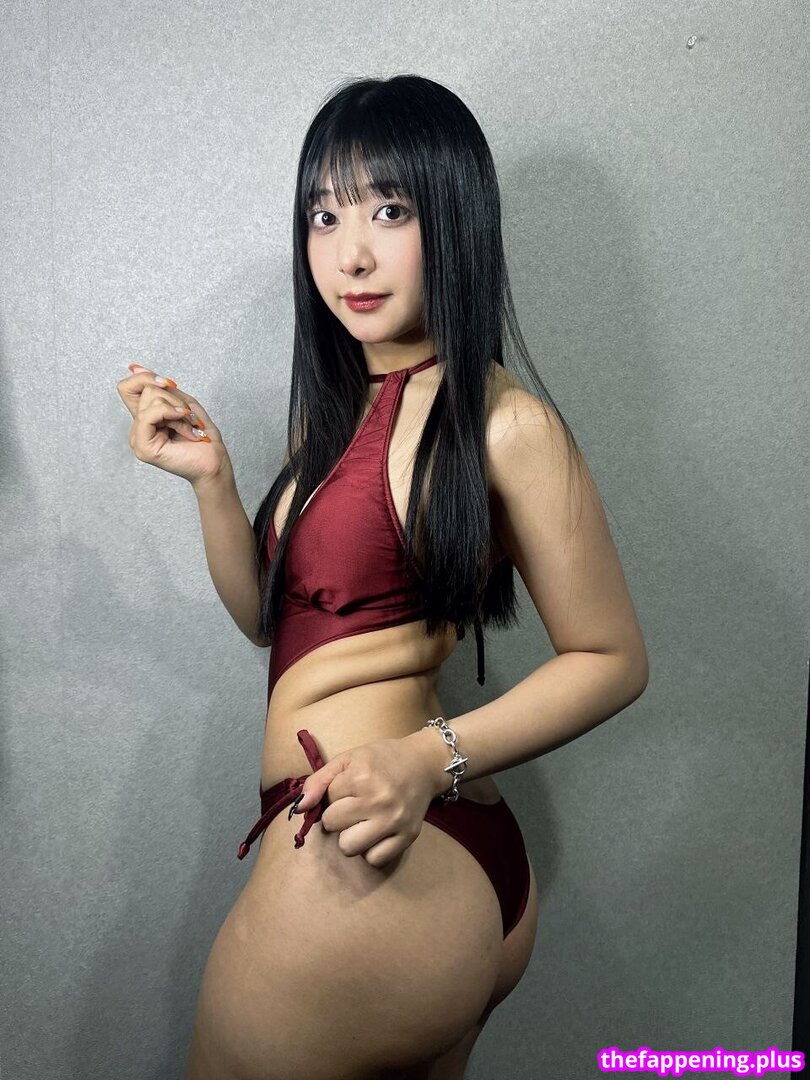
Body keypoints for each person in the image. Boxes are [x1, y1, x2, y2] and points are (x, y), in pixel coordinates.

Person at [118, 74, 648, 1080]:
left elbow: (613, 658)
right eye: (325, 215)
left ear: (455, 217)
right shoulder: (338, 405)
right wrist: (214, 483)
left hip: (373, 840)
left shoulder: (506, 424)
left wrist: (422, 762)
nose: (349, 253)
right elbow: (272, 622)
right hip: (404, 849)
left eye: (389, 211)